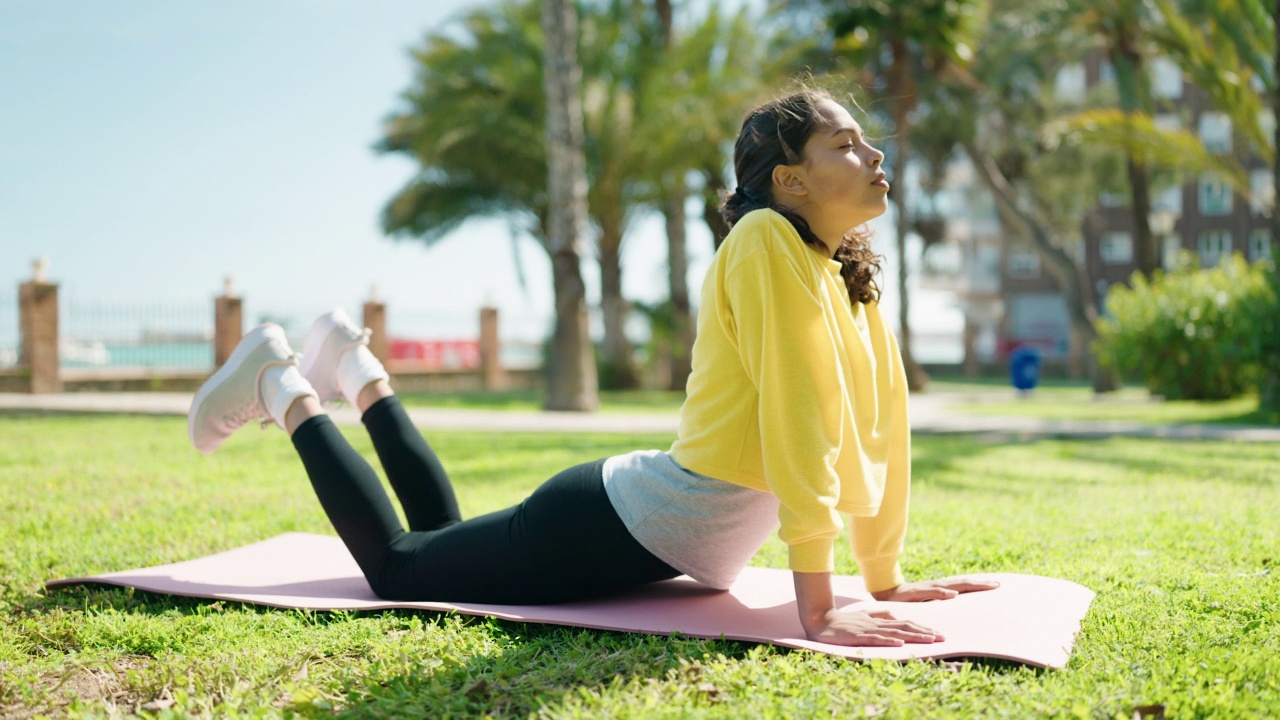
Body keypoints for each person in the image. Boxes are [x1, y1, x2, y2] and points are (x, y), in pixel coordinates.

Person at [188, 88, 997, 647]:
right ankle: (281, 383)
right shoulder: (764, 244)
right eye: (844, 143)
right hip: (625, 518)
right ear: (789, 180)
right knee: (401, 569)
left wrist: (884, 578)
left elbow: (879, 427)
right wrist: (818, 608)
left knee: (435, 541)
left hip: (654, 525)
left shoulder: (842, 270)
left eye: (865, 139)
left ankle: (355, 368)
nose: (873, 150)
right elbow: (796, 416)